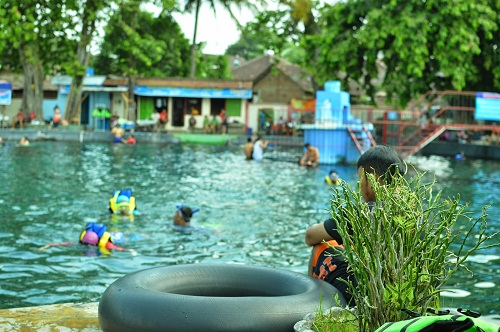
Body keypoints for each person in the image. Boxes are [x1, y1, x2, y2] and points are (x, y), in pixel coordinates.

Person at [304, 145, 406, 305]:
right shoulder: (420, 211)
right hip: (407, 295)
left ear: (374, 179)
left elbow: (310, 236)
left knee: (322, 246)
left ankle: (310, 305)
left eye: (361, 179)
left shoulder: (366, 212)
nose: (360, 186)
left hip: (370, 299)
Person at [38, 222, 135, 256]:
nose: (88, 247)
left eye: (91, 245)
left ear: (96, 243)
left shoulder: (106, 244)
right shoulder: (82, 242)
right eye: (86, 245)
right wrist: (47, 246)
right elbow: (65, 243)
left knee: (124, 237)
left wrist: (130, 251)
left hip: (116, 237)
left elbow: (119, 248)